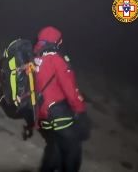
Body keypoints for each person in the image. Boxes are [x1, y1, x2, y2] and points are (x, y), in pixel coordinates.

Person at [33, 26, 91, 172]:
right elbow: (70, 90)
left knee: (55, 147)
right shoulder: (57, 59)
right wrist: (81, 113)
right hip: (58, 113)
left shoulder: (36, 57)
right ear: (59, 41)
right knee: (73, 150)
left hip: (42, 115)